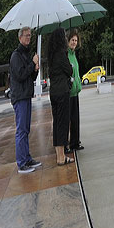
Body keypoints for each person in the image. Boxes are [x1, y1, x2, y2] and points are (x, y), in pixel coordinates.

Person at [9, 26, 41, 174]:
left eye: (30, 35)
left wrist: (36, 69)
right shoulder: (16, 56)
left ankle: (27, 158)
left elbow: (30, 77)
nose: (29, 38)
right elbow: (21, 75)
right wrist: (32, 64)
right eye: (26, 35)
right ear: (20, 37)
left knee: (26, 129)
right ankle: (21, 163)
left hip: (26, 95)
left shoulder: (26, 55)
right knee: (21, 130)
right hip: (20, 97)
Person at [47, 27, 75, 166]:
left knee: (57, 123)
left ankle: (59, 155)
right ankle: (62, 157)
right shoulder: (61, 54)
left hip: (53, 93)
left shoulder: (51, 56)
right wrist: (70, 65)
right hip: (63, 92)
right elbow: (69, 71)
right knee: (63, 124)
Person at [66, 29, 84, 153]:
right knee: (68, 120)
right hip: (68, 92)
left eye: (76, 40)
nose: (74, 42)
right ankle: (67, 144)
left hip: (75, 92)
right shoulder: (66, 55)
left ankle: (75, 142)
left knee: (75, 119)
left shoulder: (74, 55)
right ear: (68, 41)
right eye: (72, 40)